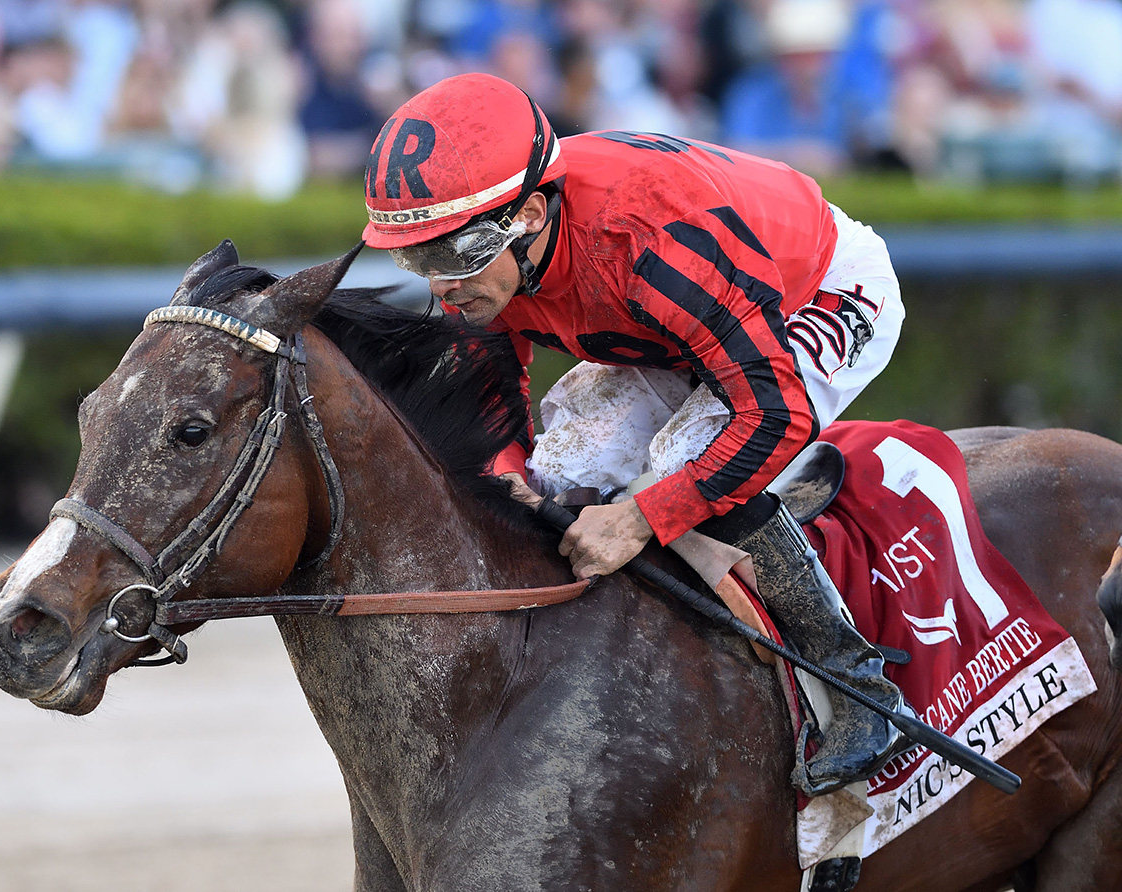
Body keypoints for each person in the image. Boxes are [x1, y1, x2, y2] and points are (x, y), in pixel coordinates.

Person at [361, 72, 907, 797]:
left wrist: (640, 518)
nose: (441, 286)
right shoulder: (495, 260)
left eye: (455, 257)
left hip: (817, 290)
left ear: (529, 213)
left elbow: (771, 414)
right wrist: (509, 474)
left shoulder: (648, 238)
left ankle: (857, 685)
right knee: (559, 471)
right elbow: (490, 399)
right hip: (688, 325)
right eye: (417, 259)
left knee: (684, 463)